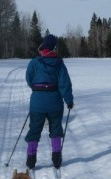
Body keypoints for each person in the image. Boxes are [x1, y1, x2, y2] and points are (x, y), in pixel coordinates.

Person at [25, 34, 74, 170]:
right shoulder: (59, 63)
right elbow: (65, 83)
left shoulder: (35, 62)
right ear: (54, 47)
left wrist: (36, 89)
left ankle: (31, 159)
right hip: (55, 103)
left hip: (37, 103)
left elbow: (28, 78)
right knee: (56, 129)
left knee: (34, 130)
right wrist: (69, 100)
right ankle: (56, 158)